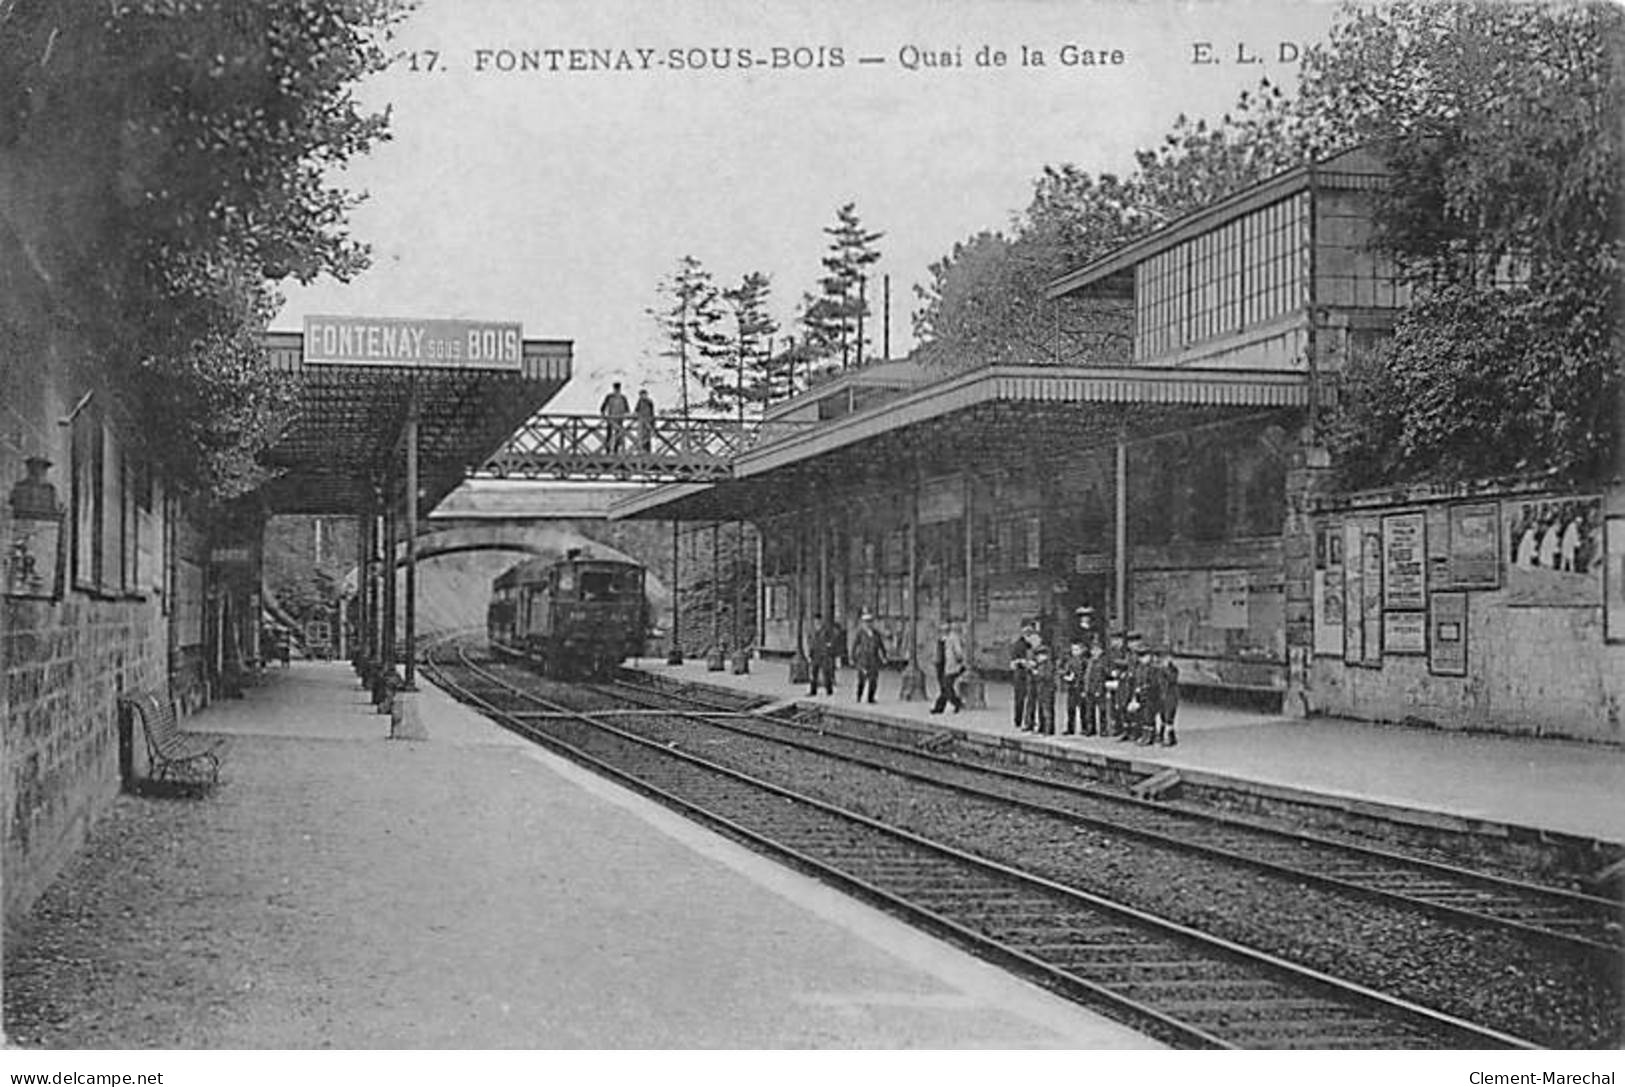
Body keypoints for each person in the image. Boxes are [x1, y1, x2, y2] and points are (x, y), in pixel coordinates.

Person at [930, 619, 966, 714]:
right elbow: (937, 652)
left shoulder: (953, 637)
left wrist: (959, 662)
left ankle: (956, 704)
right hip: (940, 665)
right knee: (944, 688)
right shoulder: (940, 638)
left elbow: (958, 652)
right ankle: (941, 707)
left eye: (945, 626)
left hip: (950, 666)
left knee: (947, 687)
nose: (943, 628)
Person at [851, 611, 886, 704]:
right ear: (863, 623)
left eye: (870, 622)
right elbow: (855, 645)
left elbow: (881, 645)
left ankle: (871, 697)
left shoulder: (876, 633)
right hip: (863, 659)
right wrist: (853, 657)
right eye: (866, 622)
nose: (868, 624)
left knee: (873, 680)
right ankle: (859, 695)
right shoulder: (860, 633)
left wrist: (884, 656)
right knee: (861, 680)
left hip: (874, 659)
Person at [1009, 619, 1037, 730]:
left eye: (1030, 629)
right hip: (1020, 674)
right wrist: (1021, 662)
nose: (1028, 631)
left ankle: (1030, 720)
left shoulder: (1035, 643)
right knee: (1020, 698)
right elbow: (1013, 663)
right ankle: (1018, 720)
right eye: (1026, 629)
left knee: (1031, 699)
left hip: (1032, 674)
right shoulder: (1018, 645)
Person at [808, 612, 841, 696]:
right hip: (814, 654)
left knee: (826, 673)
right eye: (815, 621)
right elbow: (810, 640)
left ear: (821, 620)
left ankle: (829, 690)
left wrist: (829, 645)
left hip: (824, 654)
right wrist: (810, 651)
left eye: (818, 620)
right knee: (813, 673)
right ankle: (813, 691)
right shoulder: (812, 630)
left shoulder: (826, 629)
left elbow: (833, 637)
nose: (817, 622)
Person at [1060, 640, 1088, 735]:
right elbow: (1064, 670)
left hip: (1080, 686)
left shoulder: (1084, 661)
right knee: (1070, 708)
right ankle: (1070, 728)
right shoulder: (1069, 660)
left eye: (1076, 649)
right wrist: (1066, 676)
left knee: (1083, 709)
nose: (1074, 652)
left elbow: (1085, 675)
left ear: (1081, 650)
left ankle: (1085, 727)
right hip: (1071, 687)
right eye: (1073, 650)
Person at [1156, 646, 1180, 747]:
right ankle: (1161, 735)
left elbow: (1172, 679)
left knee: (1169, 716)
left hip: (1171, 696)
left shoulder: (1173, 670)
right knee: (1162, 715)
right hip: (1163, 695)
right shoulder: (1160, 670)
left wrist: (1165, 670)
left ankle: (1171, 737)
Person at [1030, 646, 1057, 735]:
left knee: (1047, 710)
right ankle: (1042, 727)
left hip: (1047, 690)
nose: (1037, 658)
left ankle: (1048, 729)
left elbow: (1048, 676)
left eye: (1039, 656)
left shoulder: (1048, 665)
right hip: (1041, 690)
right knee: (1041, 709)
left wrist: (1037, 674)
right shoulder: (1041, 665)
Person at [600, 381, 630, 453]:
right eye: (616, 389)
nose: (617, 390)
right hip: (611, 419)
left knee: (618, 435)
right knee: (609, 435)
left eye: (618, 389)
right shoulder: (609, 397)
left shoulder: (623, 398)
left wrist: (624, 415)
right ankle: (608, 450)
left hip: (619, 419)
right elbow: (603, 407)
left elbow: (627, 409)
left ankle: (616, 450)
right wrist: (604, 415)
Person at [634, 388, 656, 453]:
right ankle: (642, 450)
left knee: (647, 436)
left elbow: (652, 412)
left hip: (647, 420)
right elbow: (636, 410)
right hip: (641, 421)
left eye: (643, 395)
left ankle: (647, 451)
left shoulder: (649, 402)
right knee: (641, 436)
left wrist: (652, 422)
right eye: (641, 395)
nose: (642, 396)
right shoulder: (640, 402)